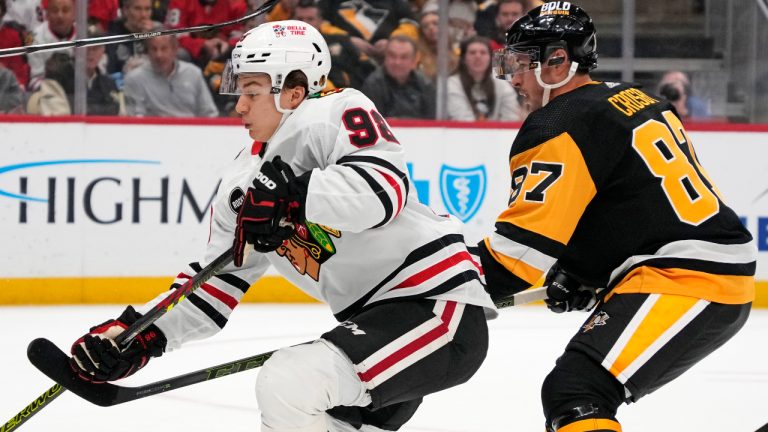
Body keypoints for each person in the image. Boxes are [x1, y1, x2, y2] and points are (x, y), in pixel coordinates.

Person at [68, 20, 494, 432]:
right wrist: (138, 336)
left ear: (294, 90)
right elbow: (214, 285)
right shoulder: (241, 186)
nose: (239, 105)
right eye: (239, 91)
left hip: (433, 304)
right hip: (373, 325)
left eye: (252, 91)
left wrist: (294, 197)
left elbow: (383, 190)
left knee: (289, 384)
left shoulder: (336, 109)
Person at [478, 4, 755, 431]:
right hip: (707, 270)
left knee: (577, 392)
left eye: (520, 62)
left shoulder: (558, 123)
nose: (513, 77)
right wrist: (585, 271)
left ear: (558, 62)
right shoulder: (639, 98)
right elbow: (634, 204)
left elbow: (515, 263)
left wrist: (439, 275)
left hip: (685, 279)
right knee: (579, 386)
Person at [123, 34, 219, 117]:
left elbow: (209, 113)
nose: (159, 55)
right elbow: (135, 118)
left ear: (175, 50)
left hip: (190, 133)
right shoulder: (134, 79)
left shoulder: (193, 73)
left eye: (164, 49)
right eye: (154, 49)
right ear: (147, 52)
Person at [361, 35, 436, 119]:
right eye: (392, 56)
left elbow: (432, 123)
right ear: (385, 57)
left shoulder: (425, 85)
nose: (397, 62)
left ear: (414, 61)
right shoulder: (373, 85)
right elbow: (372, 123)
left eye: (404, 57)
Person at [447, 35, 520, 121]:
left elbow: (511, 118)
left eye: (483, 52)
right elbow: (461, 119)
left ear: (490, 58)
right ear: (463, 59)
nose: (478, 56)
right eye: (472, 52)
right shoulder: (452, 83)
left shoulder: (502, 84)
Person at [26, 0, 76, 90]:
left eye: (65, 10)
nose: (60, 16)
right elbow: (35, 79)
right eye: (55, 10)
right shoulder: (33, 38)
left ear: (74, 14)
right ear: (47, 14)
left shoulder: (84, 34)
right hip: (48, 94)